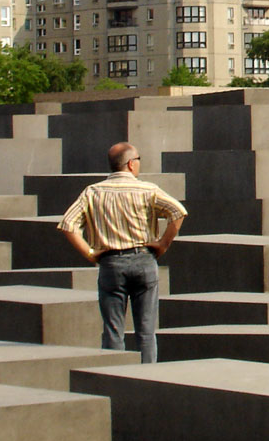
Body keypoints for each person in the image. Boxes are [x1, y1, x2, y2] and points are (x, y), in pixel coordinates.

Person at [57, 142, 187, 364]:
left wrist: (90, 253)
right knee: (146, 332)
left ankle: (114, 376)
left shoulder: (93, 192)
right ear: (130, 164)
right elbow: (178, 212)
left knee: (113, 331)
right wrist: (163, 244)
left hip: (111, 263)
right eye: (138, 160)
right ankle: (148, 379)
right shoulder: (148, 190)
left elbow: (68, 225)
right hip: (144, 259)